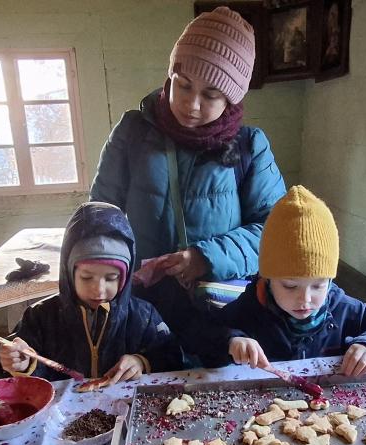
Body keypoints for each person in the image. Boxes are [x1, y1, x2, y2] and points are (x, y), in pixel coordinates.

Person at [90, 7, 287, 362]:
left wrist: (204, 257)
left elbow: (277, 232)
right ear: (170, 76)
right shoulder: (133, 133)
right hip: (140, 312)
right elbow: (100, 217)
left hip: (222, 315)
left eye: (211, 94)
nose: (191, 104)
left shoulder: (249, 146)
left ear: (232, 97)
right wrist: (119, 269)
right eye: (183, 84)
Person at [215, 186, 366, 376]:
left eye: (318, 285)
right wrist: (231, 340)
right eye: (290, 286)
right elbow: (204, 332)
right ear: (268, 279)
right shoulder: (249, 308)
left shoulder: (341, 309)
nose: (305, 299)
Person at [0, 202, 182, 384]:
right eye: (86, 277)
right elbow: (5, 376)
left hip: (126, 408)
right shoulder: (39, 317)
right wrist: (23, 364)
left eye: (111, 278)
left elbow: (171, 356)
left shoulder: (144, 316)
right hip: (60, 414)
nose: (99, 289)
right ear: (69, 273)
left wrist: (141, 362)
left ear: (124, 278)